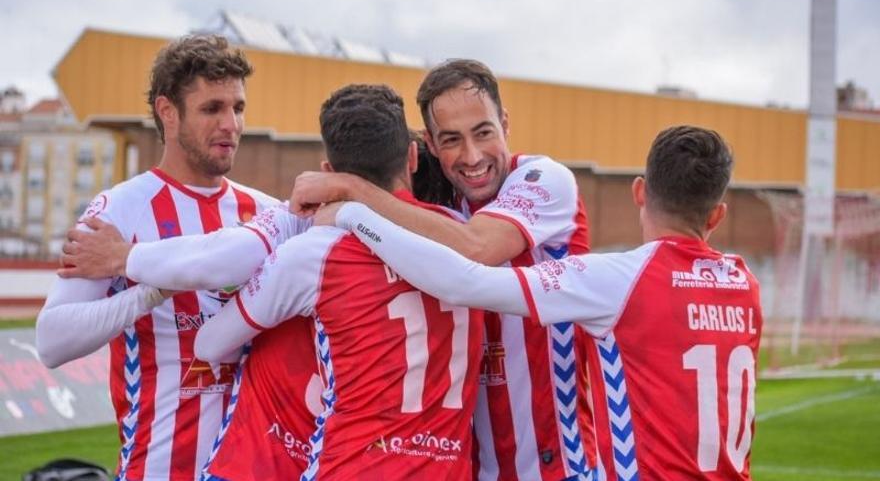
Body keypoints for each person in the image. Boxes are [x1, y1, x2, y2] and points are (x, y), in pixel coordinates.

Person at [324, 125, 764, 480]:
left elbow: (463, 282)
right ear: (716, 215)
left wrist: (352, 212)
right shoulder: (746, 285)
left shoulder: (616, 279)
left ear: (639, 192)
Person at [290, 59, 595, 479]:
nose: (472, 157)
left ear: (505, 122)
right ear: (429, 145)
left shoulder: (545, 179)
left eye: (483, 132)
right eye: (451, 140)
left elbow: (478, 247)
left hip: (562, 467)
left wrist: (350, 192)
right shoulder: (436, 209)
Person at [192, 84, 484, 480]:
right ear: (413, 157)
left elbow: (208, 344)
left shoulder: (315, 250)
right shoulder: (463, 235)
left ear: (328, 173)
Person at [35, 35, 284, 481]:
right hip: (160, 468)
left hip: (257, 468)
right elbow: (52, 342)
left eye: (238, 108)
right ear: (168, 112)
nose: (231, 124)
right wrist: (153, 289)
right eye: (212, 109)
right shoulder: (118, 210)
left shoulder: (266, 213)